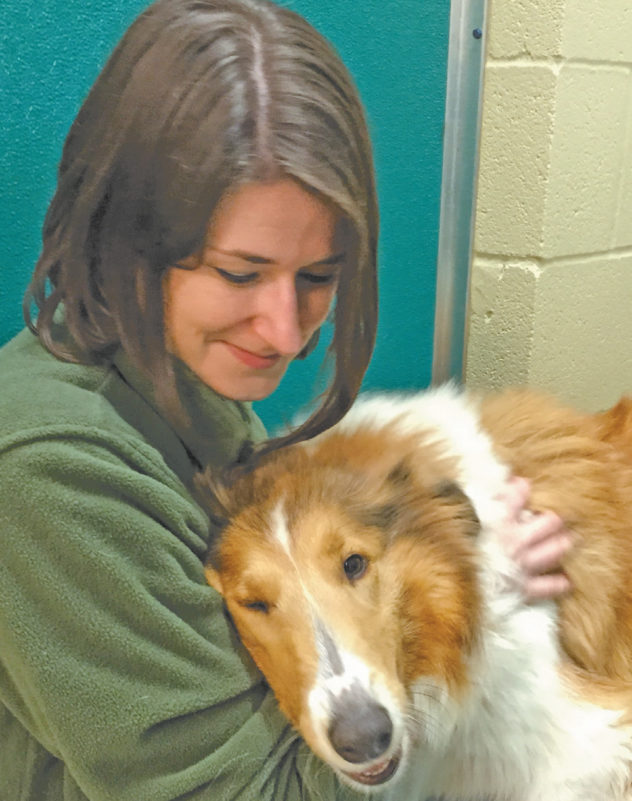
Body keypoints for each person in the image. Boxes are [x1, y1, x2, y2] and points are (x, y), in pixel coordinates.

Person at [0, 1, 571, 799]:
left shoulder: (182, 383)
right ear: (125, 234)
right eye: (240, 273)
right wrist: (480, 624)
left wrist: (462, 565)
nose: (285, 331)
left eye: (318, 278)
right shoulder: (55, 470)